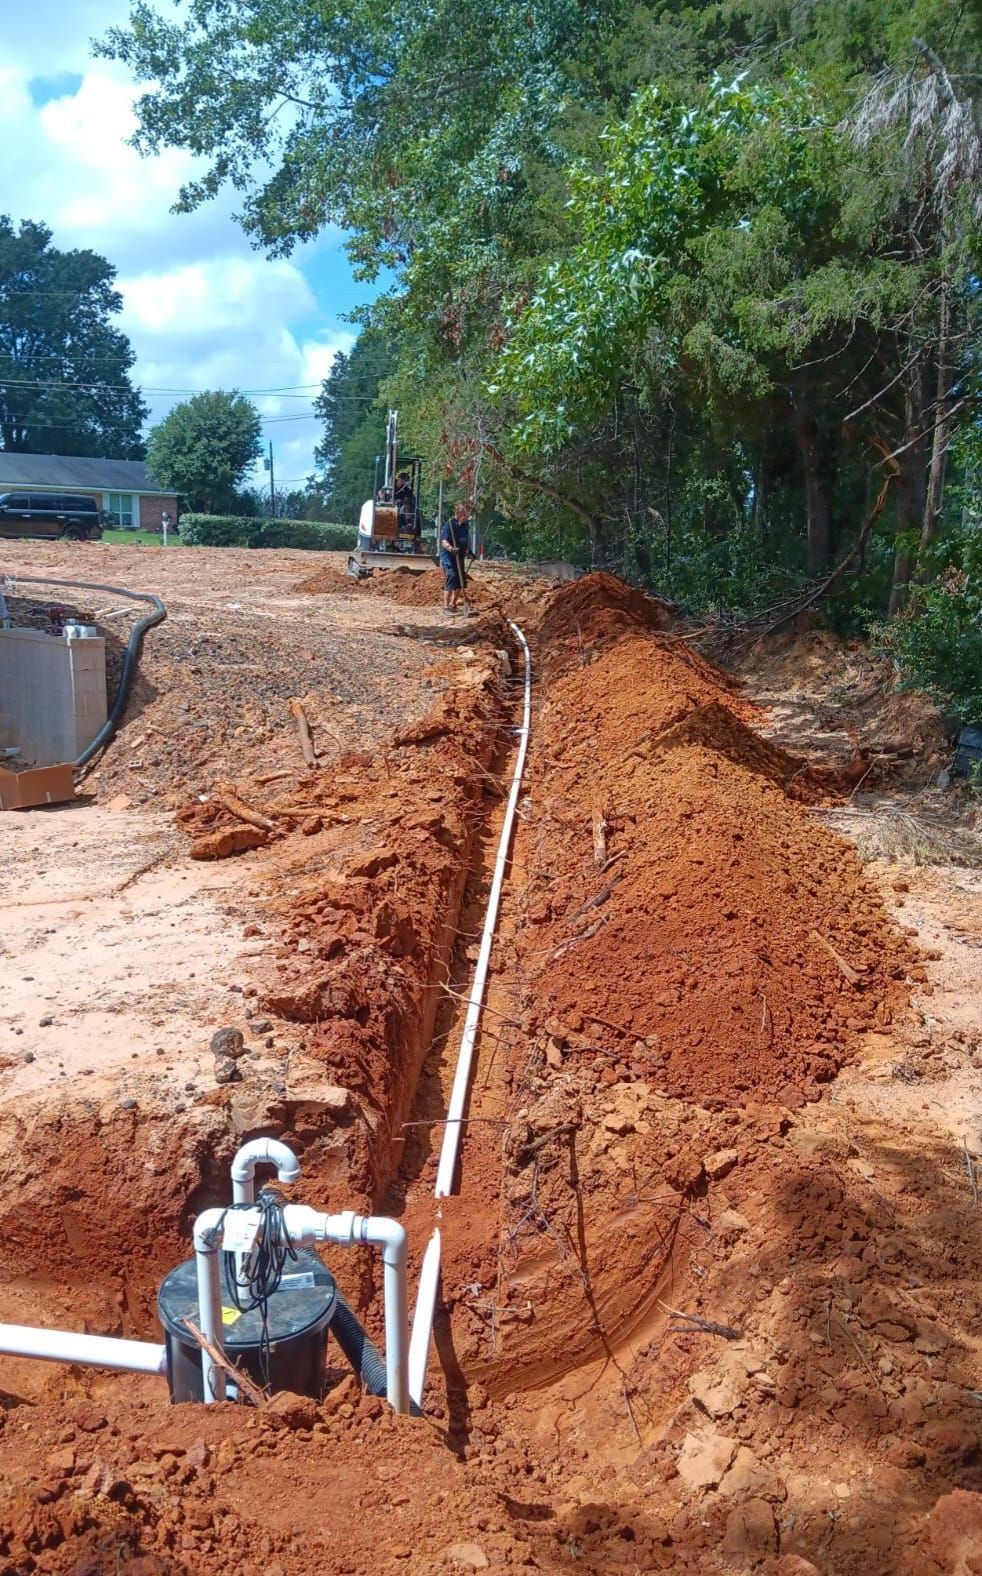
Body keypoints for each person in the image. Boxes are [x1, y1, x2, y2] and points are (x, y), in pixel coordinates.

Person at [440, 502, 472, 614]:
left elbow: (464, 541)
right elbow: (444, 541)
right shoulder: (449, 524)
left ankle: (453, 604)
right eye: (465, 514)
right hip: (449, 557)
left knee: (460, 580)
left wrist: (469, 552)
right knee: (452, 577)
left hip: (460, 557)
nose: (467, 516)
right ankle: (445, 607)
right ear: (458, 513)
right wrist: (451, 549)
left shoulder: (464, 526)